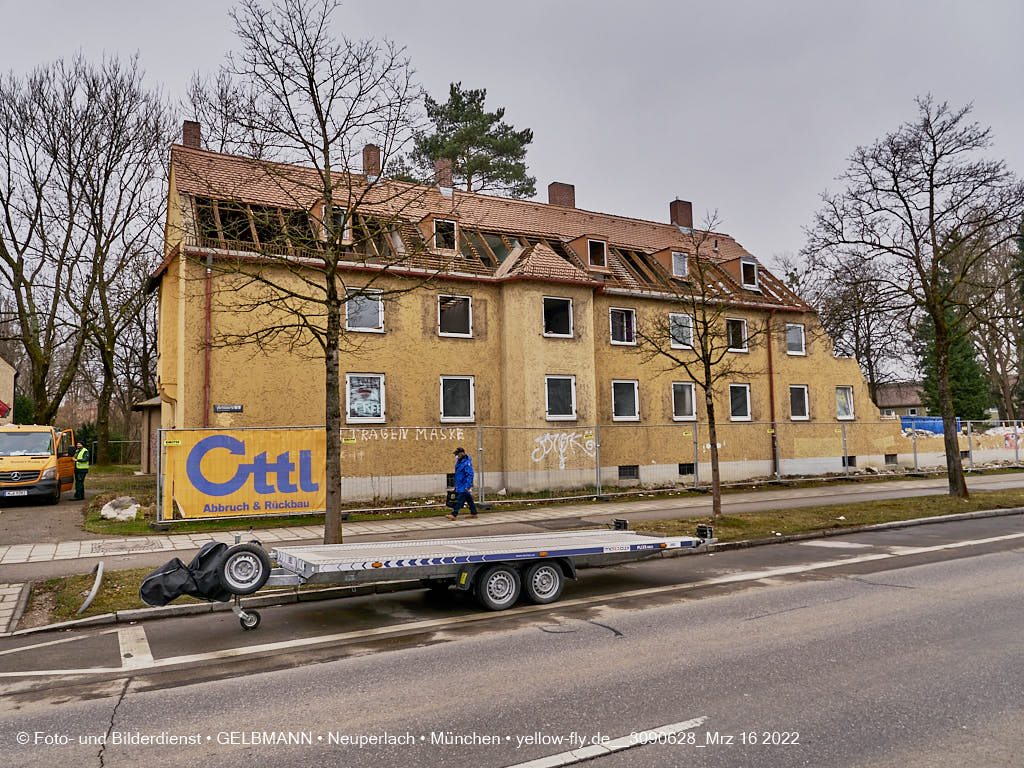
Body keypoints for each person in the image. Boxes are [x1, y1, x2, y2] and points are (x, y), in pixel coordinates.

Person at [446, 446, 478, 520]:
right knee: (469, 500)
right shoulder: (459, 462)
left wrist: (468, 485)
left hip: (464, 485)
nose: (456, 456)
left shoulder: (466, 463)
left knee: (459, 500)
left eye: (457, 455)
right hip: (460, 484)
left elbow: (470, 475)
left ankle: (454, 514)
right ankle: (474, 513)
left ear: (461, 454)